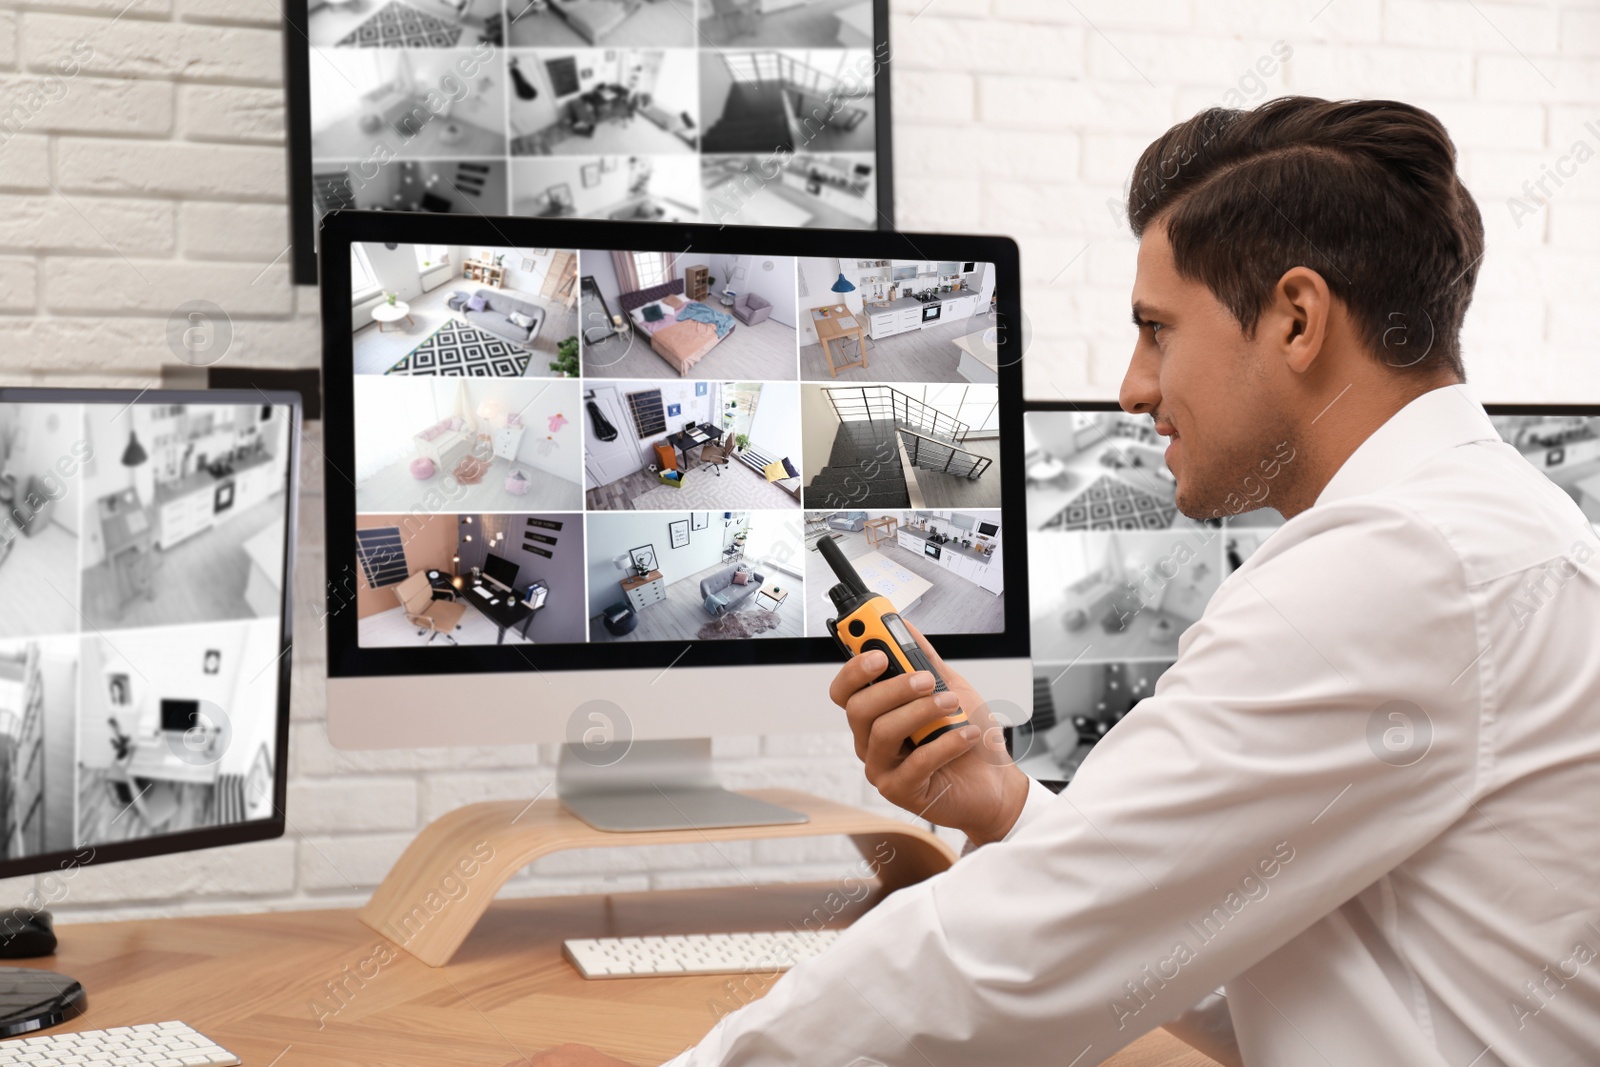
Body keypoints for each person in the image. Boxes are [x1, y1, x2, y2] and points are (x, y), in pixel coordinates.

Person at [505, 97, 1600, 1066]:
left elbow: (1008, 951)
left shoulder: (1404, 562)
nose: (1132, 388)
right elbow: (1263, 962)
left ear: (1297, 319)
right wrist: (1014, 808)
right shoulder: (1485, 529)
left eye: (1155, 332)